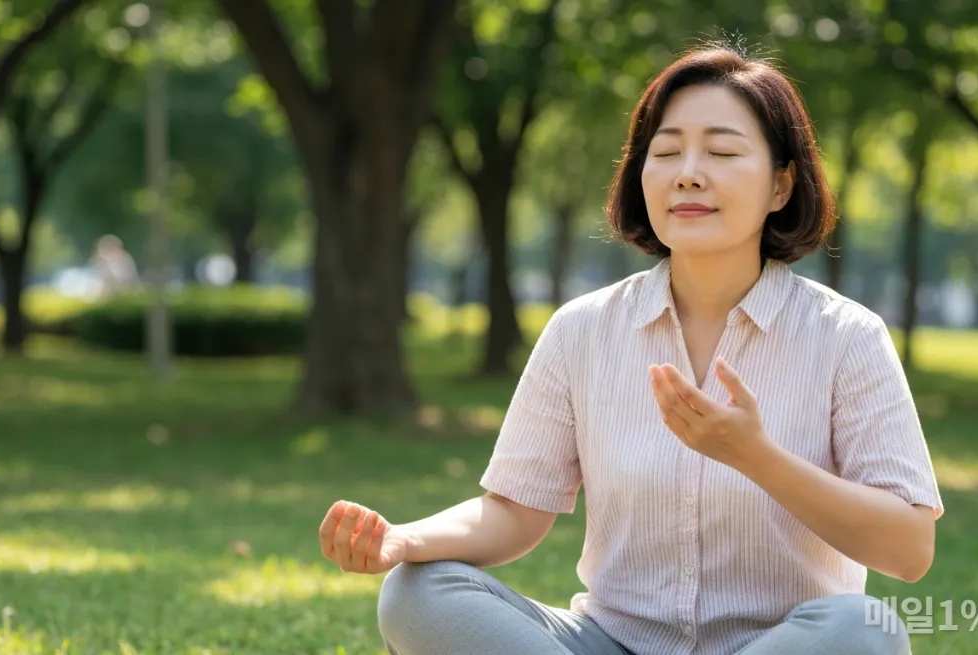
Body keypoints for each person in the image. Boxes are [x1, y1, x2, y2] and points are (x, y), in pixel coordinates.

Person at [318, 43, 944, 655]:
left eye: (723, 151)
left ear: (781, 185)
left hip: (779, 644)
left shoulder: (847, 337)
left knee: (866, 628)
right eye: (665, 152)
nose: (688, 172)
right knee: (418, 592)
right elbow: (512, 513)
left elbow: (909, 551)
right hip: (607, 642)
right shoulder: (582, 330)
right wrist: (401, 541)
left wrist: (754, 455)